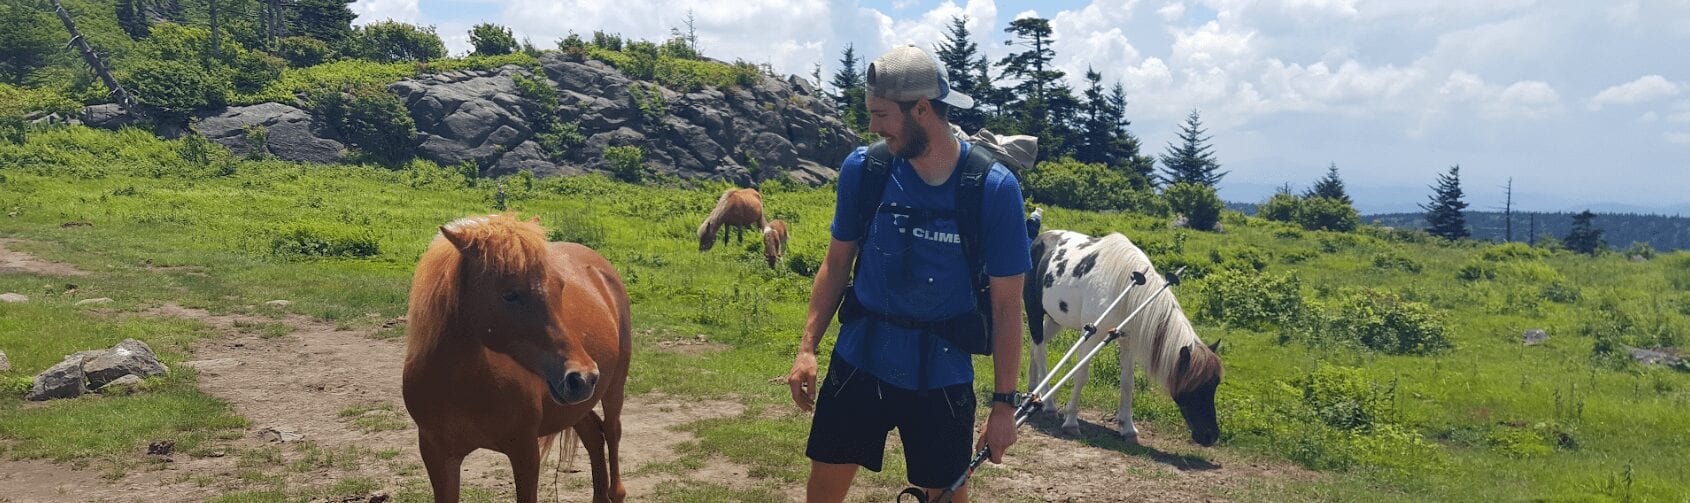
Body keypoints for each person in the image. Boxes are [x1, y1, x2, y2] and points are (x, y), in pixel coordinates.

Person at [785, 45, 1031, 503]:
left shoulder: (993, 189)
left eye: (881, 114)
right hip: (861, 358)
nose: (873, 127)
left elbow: (1005, 305)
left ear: (922, 110)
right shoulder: (866, 169)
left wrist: (1003, 405)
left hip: (943, 373)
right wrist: (806, 349)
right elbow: (837, 263)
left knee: (945, 496)